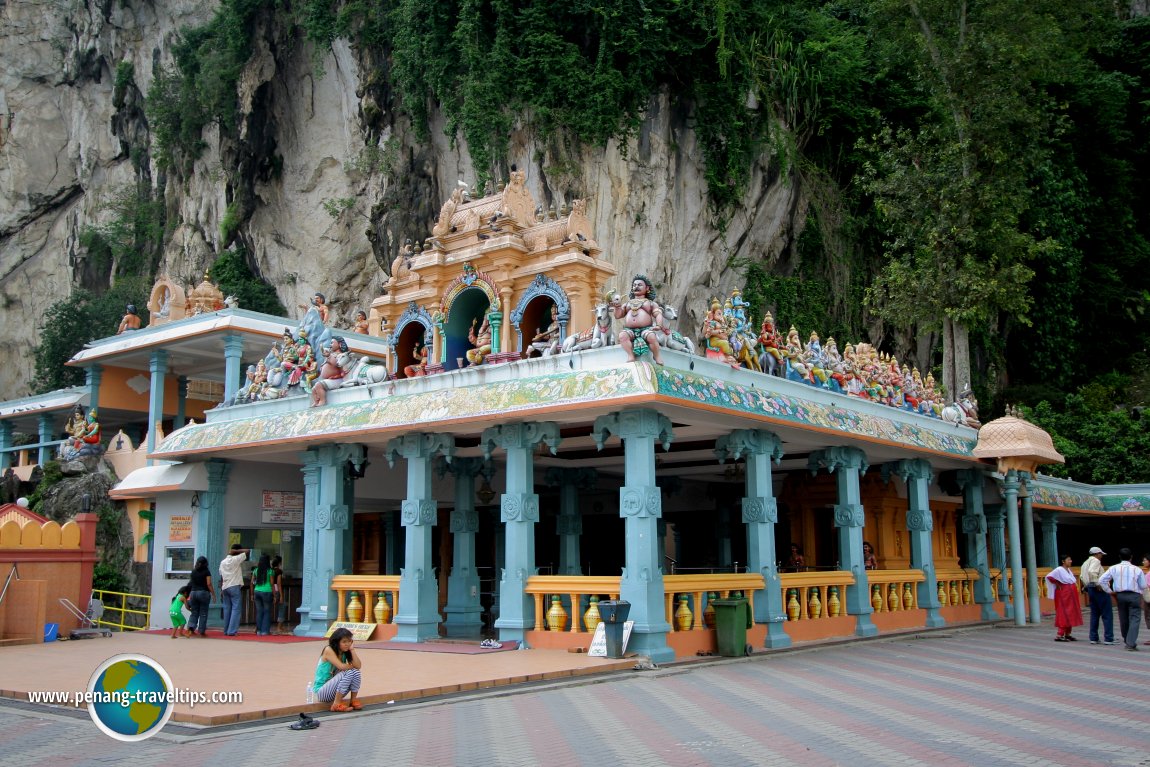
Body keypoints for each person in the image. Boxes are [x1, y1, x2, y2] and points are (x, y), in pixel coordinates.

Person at [1099, 547, 1147, 651]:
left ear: (1120, 557)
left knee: (1123, 618)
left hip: (1120, 595)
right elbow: (1143, 585)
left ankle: (1127, 639)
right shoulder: (1137, 569)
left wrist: (1110, 591)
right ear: (1131, 557)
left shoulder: (1113, 568)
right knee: (1135, 619)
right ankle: (1130, 643)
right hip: (1134, 595)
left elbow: (1102, 580)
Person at [612, 275, 665, 365]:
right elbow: (618, 316)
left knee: (652, 337)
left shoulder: (651, 303)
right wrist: (617, 307)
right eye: (634, 285)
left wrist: (658, 325)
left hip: (646, 329)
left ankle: (657, 356)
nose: (636, 287)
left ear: (647, 288)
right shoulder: (627, 303)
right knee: (622, 336)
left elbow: (658, 314)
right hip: (630, 330)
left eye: (639, 285)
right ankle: (630, 355)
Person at [312, 627, 363, 712]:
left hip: (334, 690)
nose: (347, 644)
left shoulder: (345, 651)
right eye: (344, 642)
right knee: (350, 672)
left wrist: (352, 650)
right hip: (322, 692)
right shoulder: (328, 649)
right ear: (336, 642)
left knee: (356, 672)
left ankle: (353, 700)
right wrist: (352, 667)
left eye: (349, 641)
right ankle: (336, 704)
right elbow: (341, 666)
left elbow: (358, 666)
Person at [1079, 546, 1115, 645]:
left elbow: (1082, 576)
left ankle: (1093, 637)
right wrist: (1097, 583)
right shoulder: (1095, 561)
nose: (1101, 556)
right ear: (1097, 554)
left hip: (1090, 589)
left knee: (1095, 614)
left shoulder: (1085, 563)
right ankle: (1109, 638)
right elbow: (1092, 572)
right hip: (1098, 589)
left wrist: (1088, 586)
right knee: (1107, 614)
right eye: (1101, 554)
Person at [1046, 554, 1083, 642]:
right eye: (1068, 560)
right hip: (1064, 594)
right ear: (1063, 561)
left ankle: (1068, 633)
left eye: (1070, 559)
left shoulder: (1068, 570)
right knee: (1063, 612)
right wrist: (1057, 584)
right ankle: (1059, 634)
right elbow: (1049, 576)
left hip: (1071, 594)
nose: (1070, 561)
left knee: (1071, 612)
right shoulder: (1059, 569)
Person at [218, 543, 250, 636]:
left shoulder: (222, 562)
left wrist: (221, 590)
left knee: (227, 609)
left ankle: (226, 630)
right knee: (236, 609)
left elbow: (222, 577)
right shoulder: (236, 559)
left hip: (225, 587)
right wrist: (235, 551)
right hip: (234, 586)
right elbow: (247, 551)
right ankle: (231, 631)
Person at [187, 556, 214, 637]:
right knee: (203, 613)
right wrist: (213, 593)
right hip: (203, 593)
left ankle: (191, 629)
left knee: (194, 612)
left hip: (193, 593)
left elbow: (191, 583)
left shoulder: (193, 571)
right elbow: (208, 584)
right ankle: (201, 631)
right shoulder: (207, 571)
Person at [250, 553, 274, 636]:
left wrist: (252, 594)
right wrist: (274, 594)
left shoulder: (256, 570)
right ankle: (265, 631)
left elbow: (252, 582)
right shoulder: (270, 571)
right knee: (267, 611)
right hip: (267, 591)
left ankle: (259, 630)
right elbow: (271, 583)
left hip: (257, 590)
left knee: (259, 611)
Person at [271, 555, 285, 634]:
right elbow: (279, 583)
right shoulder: (279, 571)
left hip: (269, 590)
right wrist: (281, 595)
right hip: (276, 590)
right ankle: (279, 626)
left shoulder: (269, 570)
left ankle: (258, 627)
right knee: (281, 607)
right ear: (279, 563)